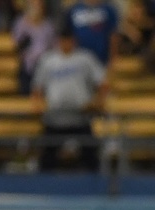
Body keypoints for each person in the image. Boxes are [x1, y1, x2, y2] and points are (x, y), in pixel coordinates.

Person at [31, 24, 108, 171]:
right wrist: (37, 104)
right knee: (47, 159)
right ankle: (44, 187)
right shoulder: (48, 60)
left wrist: (98, 102)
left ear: (74, 41)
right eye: (63, 40)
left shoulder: (85, 58)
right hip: (55, 118)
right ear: (58, 41)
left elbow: (103, 83)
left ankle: (96, 187)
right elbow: (37, 88)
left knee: (91, 157)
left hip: (80, 117)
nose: (66, 43)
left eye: (69, 40)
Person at [11, 0, 56, 95]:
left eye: (39, 6)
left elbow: (53, 46)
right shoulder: (21, 23)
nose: (36, 9)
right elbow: (17, 44)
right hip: (27, 63)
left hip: (45, 63)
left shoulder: (48, 25)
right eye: (34, 6)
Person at [62, 0, 119, 67]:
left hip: (102, 59)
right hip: (80, 61)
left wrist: (113, 59)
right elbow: (68, 38)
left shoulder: (109, 9)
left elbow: (114, 37)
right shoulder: (73, 10)